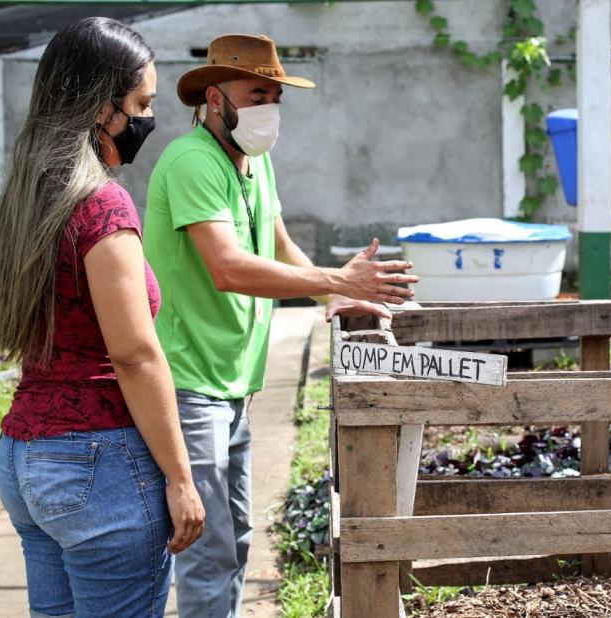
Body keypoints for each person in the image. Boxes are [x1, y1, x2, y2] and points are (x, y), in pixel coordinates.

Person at [142, 33, 417, 616]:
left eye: (276, 95)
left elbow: (276, 238)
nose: (270, 107)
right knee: (209, 548)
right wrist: (337, 281)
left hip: (235, 381)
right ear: (216, 99)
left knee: (235, 538)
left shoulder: (252, 160)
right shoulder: (192, 160)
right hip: (190, 383)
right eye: (257, 93)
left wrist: (331, 293)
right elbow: (227, 267)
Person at [0, 17, 205, 617]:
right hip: (97, 463)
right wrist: (181, 478)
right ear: (98, 106)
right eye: (140, 103)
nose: (146, 119)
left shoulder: (26, 197)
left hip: (24, 457)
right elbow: (134, 354)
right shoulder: (101, 203)